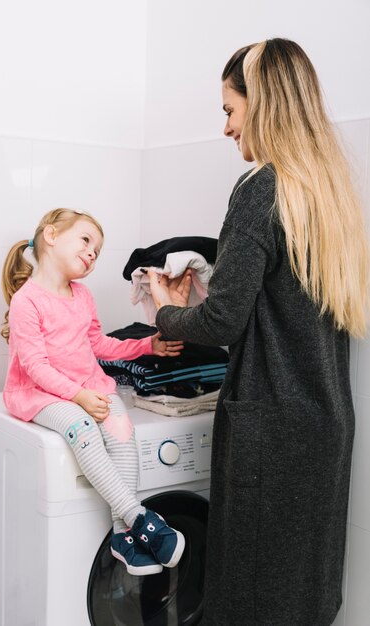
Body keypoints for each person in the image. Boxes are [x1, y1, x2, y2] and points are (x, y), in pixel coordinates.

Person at [148, 39, 369, 625]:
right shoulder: (327, 196)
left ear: (263, 103)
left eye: (229, 109)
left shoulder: (260, 189)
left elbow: (223, 322)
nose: (225, 128)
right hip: (324, 427)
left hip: (269, 432)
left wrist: (166, 314)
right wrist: (215, 280)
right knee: (303, 597)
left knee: (246, 599)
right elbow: (281, 303)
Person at [0, 208, 186, 576]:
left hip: (89, 384)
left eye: (98, 251)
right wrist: (78, 397)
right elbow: (36, 367)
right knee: (84, 428)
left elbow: (98, 344)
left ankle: (123, 537)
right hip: (40, 393)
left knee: (122, 431)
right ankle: (140, 518)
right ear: (51, 235)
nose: (92, 254)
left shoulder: (82, 295)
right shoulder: (27, 300)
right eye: (86, 240)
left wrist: (147, 346)